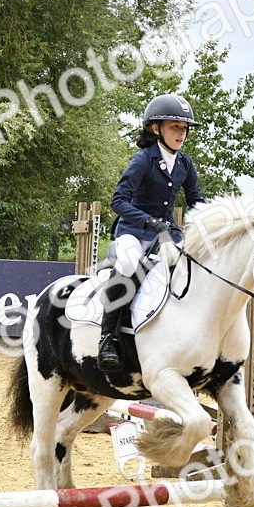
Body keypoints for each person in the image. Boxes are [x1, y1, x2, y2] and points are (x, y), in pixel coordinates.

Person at [97, 93, 206, 371]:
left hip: (167, 234)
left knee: (193, 265)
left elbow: (196, 202)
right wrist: (148, 221)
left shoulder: (185, 164)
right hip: (133, 231)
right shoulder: (143, 160)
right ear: (156, 128)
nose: (181, 134)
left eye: (184, 129)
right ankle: (108, 340)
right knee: (129, 263)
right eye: (175, 127)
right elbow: (118, 201)